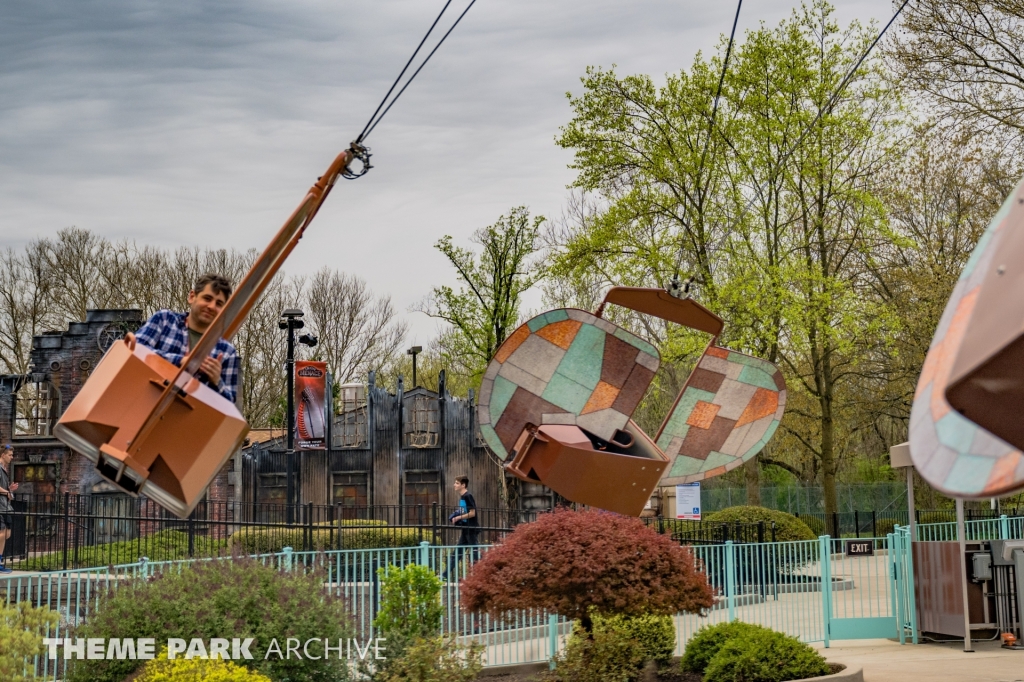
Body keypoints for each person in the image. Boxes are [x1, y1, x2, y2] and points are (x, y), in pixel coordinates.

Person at [135, 274, 240, 403]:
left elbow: (229, 407)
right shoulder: (164, 320)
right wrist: (180, 361)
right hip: (143, 405)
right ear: (192, 297)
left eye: (219, 303)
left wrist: (217, 381)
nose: (212, 306)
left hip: (187, 420)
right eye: (207, 298)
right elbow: (135, 350)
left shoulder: (227, 352)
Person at [443, 476, 479, 581]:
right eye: (455, 483)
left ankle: (481, 575)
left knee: (475, 554)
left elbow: (472, 513)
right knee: (457, 553)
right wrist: (456, 515)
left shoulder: (468, 496)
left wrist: (459, 517)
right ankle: (444, 575)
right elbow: (464, 511)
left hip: (471, 529)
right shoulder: (462, 497)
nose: (454, 485)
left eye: (457, 483)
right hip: (465, 529)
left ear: (463, 485)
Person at [0, 444, 18, 573]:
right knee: (1, 533)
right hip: (0, 506)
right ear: (3, 455)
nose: (12, 457)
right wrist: (7, 492)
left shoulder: (4, 469)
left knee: (7, 534)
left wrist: (9, 490)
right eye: (10, 455)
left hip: (5, 505)